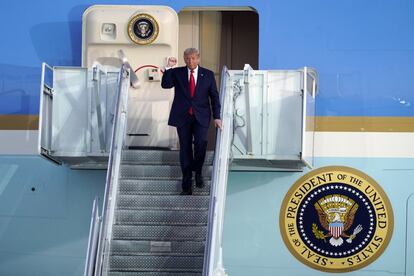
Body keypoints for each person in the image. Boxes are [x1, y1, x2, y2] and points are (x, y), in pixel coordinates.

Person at [161, 48, 222, 195]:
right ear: (184, 58)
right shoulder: (177, 72)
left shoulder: (207, 74)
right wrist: (169, 67)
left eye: (193, 58)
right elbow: (166, 84)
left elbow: (214, 96)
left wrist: (217, 117)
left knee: (200, 144)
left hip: (201, 116)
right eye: (188, 58)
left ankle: (198, 172)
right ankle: (186, 185)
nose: (190, 61)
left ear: (198, 58)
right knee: (185, 149)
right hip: (183, 117)